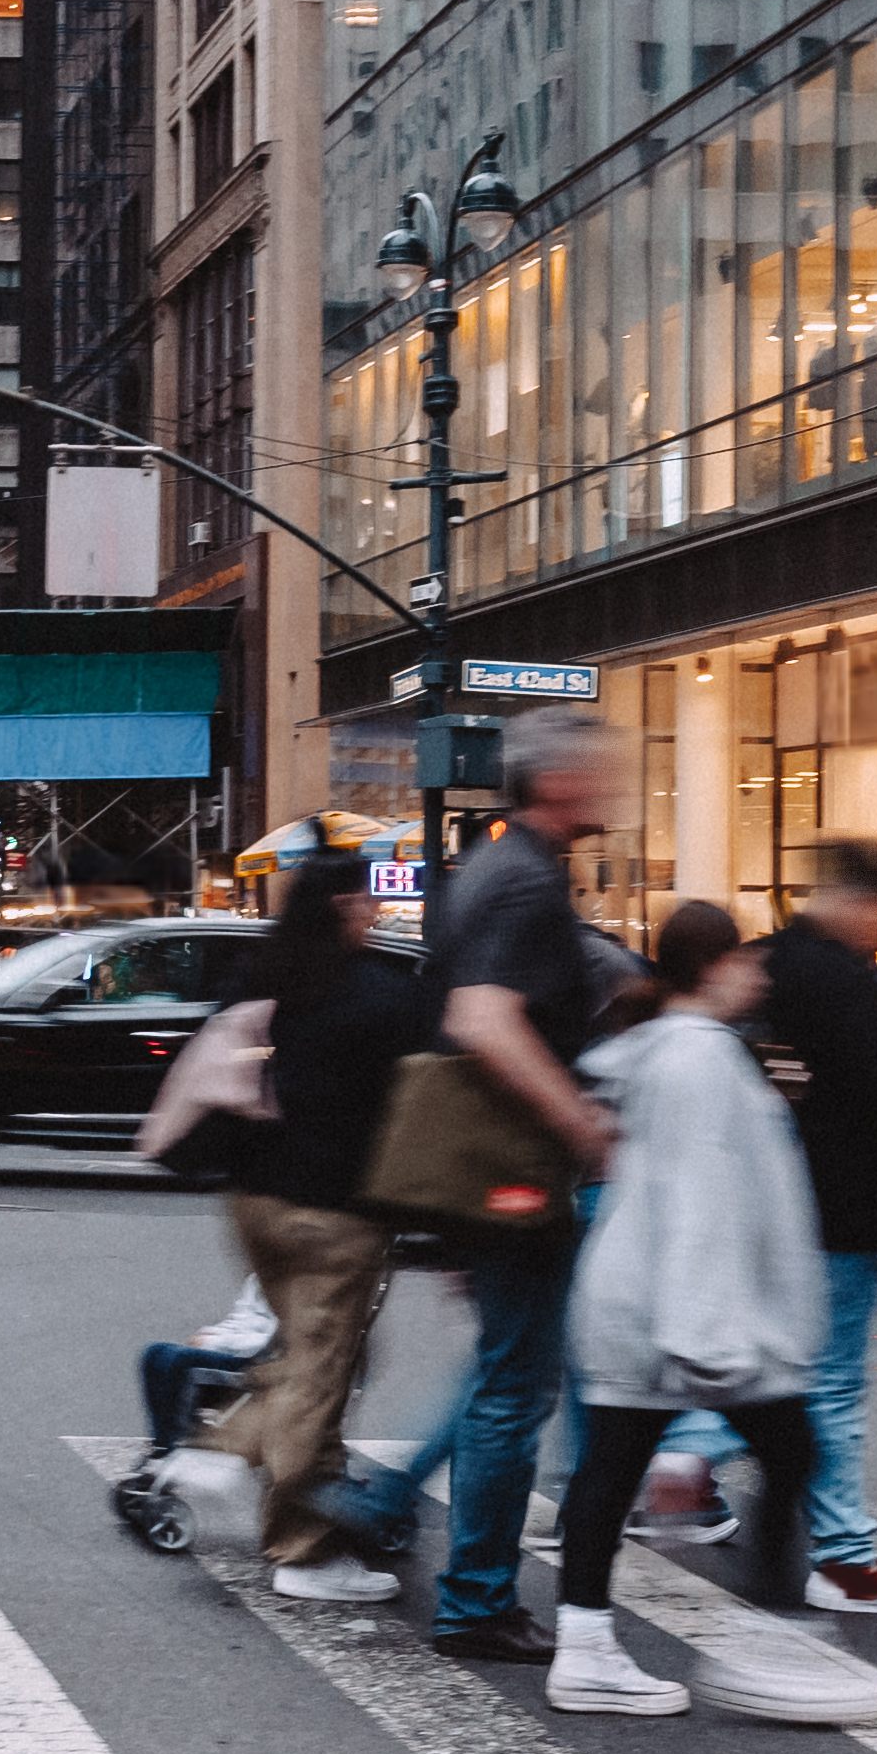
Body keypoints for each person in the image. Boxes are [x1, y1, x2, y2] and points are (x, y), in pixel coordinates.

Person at [328, 709, 635, 1664]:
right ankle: (474, 1599)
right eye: (604, 769)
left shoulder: (498, 869)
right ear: (559, 783)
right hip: (511, 1165)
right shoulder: (522, 880)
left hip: (491, 1167)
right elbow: (484, 1017)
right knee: (516, 1384)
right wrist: (583, 1124)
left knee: (511, 1371)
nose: (617, 783)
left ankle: (411, 1531)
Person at [542, 898, 850, 1721]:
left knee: (608, 1474)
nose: (758, 976)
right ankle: (771, 1648)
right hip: (686, 1313)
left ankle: (588, 1649)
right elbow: (701, 1200)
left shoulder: (660, 1051)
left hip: (644, 1303)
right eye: (748, 960)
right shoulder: (701, 1060)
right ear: (717, 967)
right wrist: (710, 1337)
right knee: (791, 1456)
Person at [207, 843, 441, 1605]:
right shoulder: (382, 993)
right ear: (346, 906)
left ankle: (220, 1450)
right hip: (335, 1213)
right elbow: (418, 1104)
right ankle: (301, 1549)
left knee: (310, 1357)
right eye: (368, 901)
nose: (376, 911)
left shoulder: (258, 975)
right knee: (323, 1372)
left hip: (253, 1201)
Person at [755, 842, 877, 1620]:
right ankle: (843, 1559)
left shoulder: (768, 961)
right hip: (838, 1204)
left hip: (786, 1203)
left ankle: (692, 1474)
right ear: (857, 899)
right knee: (829, 1381)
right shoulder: (834, 977)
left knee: (769, 1369)